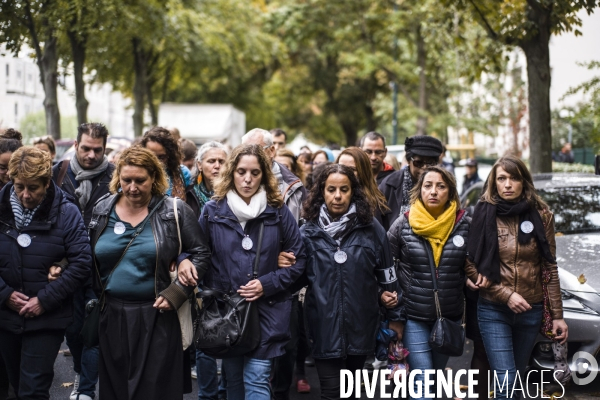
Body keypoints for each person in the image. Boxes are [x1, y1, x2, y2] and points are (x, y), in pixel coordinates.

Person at [89, 146, 211, 400]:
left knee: (155, 391)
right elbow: (88, 255)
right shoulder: (102, 209)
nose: (132, 187)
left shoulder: (174, 211)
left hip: (158, 316)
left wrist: (178, 291)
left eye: (140, 181)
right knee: (117, 389)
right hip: (112, 315)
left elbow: (202, 253)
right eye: (126, 180)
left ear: (154, 178)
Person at [194, 144, 306, 400]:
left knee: (256, 379)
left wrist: (266, 283)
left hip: (267, 308)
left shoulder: (277, 211)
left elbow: (300, 259)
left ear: (264, 175)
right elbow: (198, 254)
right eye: (241, 171)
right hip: (228, 310)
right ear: (231, 172)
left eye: (255, 173)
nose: (247, 179)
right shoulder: (213, 211)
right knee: (234, 381)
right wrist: (183, 262)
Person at [465, 155, 568, 400]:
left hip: (531, 310)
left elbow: (549, 267)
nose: (508, 184)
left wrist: (558, 316)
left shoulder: (542, 216)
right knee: (507, 381)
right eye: (502, 178)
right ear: (494, 183)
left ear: (524, 182)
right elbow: (469, 263)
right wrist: (506, 294)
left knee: (515, 380)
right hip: (493, 309)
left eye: (514, 178)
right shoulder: (480, 214)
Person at [298, 164, 403, 400]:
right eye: (331, 189)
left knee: (352, 392)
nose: (337, 196)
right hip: (322, 325)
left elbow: (388, 277)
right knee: (331, 392)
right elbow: (297, 279)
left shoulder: (371, 228)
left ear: (353, 192)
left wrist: (393, 313)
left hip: (361, 325)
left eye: (344, 189)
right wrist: (283, 262)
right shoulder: (307, 231)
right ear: (321, 192)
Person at [0, 147, 91, 400]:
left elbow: (82, 262)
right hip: (5, 314)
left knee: (33, 390)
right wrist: (4, 293)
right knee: (13, 387)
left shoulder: (66, 211)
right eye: (19, 187)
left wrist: (45, 299)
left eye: (33, 188)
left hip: (46, 318)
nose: (26, 195)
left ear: (47, 183)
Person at [387, 165, 470, 399]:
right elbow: (383, 264)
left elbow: (474, 264)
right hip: (414, 317)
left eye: (440, 186)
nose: (433, 191)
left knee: (434, 376)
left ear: (450, 192)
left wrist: (475, 277)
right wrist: (392, 303)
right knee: (423, 382)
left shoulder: (464, 225)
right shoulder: (403, 223)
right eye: (428, 186)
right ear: (420, 190)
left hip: (449, 317)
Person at [241, 129, 307, 399]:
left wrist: (281, 255)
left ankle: (280, 390)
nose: (247, 177)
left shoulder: (292, 188)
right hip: (242, 285)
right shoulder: (226, 192)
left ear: (270, 152)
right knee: (243, 363)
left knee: (283, 347)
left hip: (280, 284)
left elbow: (300, 241)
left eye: (253, 150)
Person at [52, 122, 114, 400]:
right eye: (86, 148)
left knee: (92, 332)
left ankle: (86, 388)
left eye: (97, 150)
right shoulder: (59, 173)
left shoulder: (115, 177)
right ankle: (80, 370)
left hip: (101, 268)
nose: (91, 155)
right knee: (72, 330)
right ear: (76, 145)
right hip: (66, 266)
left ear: (105, 148)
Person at [184, 141, 229, 400]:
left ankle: (225, 390)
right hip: (199, 274)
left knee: (232, 334)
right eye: (211, 161)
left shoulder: (235, 194)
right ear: (199, 164)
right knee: (205, 337)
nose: (216, 165)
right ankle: (208, 394)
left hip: (229, 272)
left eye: (222, 161)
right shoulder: (187, 196)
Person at [241, 128, 306, 223]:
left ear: (271, 151)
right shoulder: (234, 180)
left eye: (256, 150)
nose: (250, 156)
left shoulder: (293, 186)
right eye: (245, 151)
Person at [379, 135, 443, 226]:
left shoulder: (445, 185)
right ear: (409, 161)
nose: (424, 168)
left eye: (430, 163)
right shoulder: (389, 184)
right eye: (418, 163)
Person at [336, 147, 391, 230]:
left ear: (363, 172)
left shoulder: (375, 206)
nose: (344, 173)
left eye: (352, 169)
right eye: (341, 167)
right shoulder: (327, 199)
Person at [140, 126, 191, 199]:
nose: (156, 162)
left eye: (161, 157)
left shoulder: (183, 173)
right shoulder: (136, 174)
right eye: (151, 156)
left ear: (170, 155)